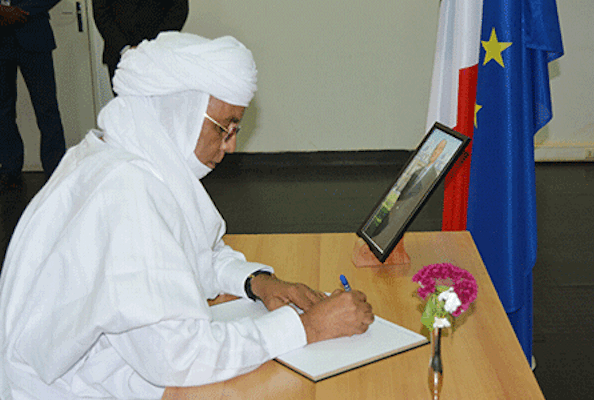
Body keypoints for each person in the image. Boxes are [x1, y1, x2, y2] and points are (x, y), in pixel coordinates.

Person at [0, 32, 374, 399]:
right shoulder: (126, 194)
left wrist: (256, 283)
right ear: (179, 111)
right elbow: (181, 356)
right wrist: (307, 327)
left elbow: (190, 253)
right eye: (224, 128)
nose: (231, 145)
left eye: (236, 129)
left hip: (103, 365)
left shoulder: (125, 155)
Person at [0, 0, 66, 188]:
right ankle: (10, 169)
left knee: (47, 108)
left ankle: (56, 170)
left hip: (34, 32)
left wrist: (20, 11)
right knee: (2, 110)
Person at [370, 139, 447, 249]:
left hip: (406, 215)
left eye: (439, 149)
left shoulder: (434, 176)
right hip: (397, 208)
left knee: (388, 235)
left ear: (442, 154)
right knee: (382, 232)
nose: (435, 151)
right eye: (435, 148)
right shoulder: (418, 171)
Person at [92, 0, 189, 84]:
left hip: (161, 53)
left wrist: (153, 45)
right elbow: (101, 12)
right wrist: (124, 48)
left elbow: (179, 8)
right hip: (120, 55)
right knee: (125, 99)